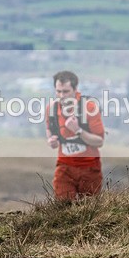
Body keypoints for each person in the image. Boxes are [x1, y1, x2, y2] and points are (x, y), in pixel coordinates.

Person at [45, 71, 105, 201]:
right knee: (63, 208)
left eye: (66, 91)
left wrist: (78, 130)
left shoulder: (89, 108)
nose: (61, 96)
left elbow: (99, 141)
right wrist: (51, 141)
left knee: (90, 210)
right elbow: (49, 131)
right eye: (58, 91)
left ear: (75, 89)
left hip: (89, 167)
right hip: (64, 167)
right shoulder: (51, 109)